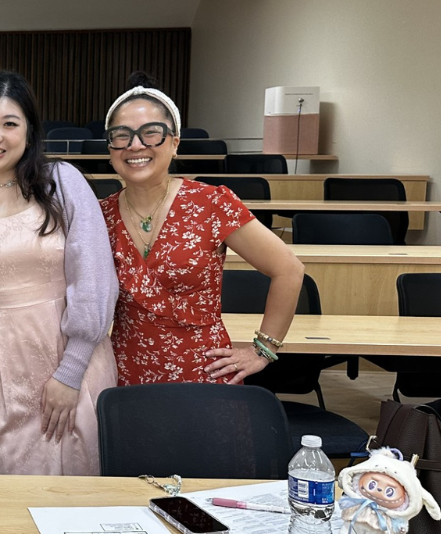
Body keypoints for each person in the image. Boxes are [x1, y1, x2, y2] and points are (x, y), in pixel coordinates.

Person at [0, 71, 117, 475]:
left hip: (69, 355)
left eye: (9, 124)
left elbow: (94, 279)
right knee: (6, 479)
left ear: (30, 132)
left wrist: (71, 373)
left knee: (76, 475)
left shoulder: (61, 183)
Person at [100, 71, 304, 386]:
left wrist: (263, 349)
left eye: (151, 132)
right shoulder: (99, 216)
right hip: (127, 374)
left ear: (175, 142)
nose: (135, 144)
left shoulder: (211, 203)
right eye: (121, 134)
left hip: (205, 374)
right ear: (110, 149)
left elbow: (288, 269)